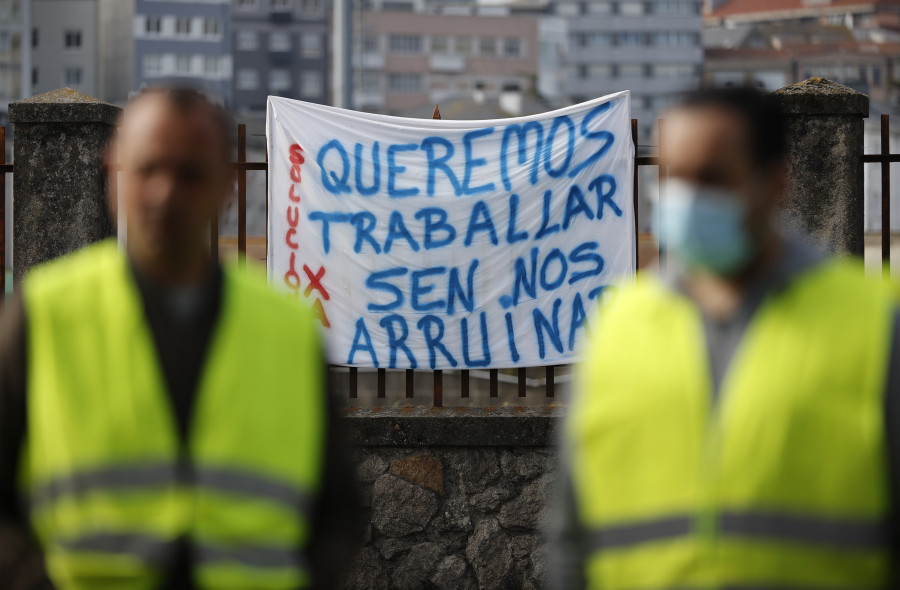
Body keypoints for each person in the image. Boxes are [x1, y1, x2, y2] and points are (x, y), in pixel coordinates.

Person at [0, 87, 361, 589]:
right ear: (114, 173)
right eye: (148, 170)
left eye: (190, 174)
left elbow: (337, 512)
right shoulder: (45, 313)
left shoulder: (288, 329)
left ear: (230, 185)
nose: (166, 194)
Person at [551, 86, 900, 589]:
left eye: (711, 179)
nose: (688, 199)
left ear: (774, 184)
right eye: (675, 178)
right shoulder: (616, 331)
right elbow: (571, 541)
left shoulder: (871, 327)